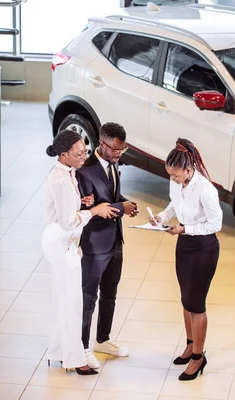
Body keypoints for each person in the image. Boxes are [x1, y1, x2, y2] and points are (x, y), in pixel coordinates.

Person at [43, 129, 119, 376]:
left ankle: (58, 353)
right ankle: (76, 359)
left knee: (63, 300)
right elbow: (67, 222)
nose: (84, 156)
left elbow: (69, 209)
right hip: (63, 243)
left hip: (62, 242)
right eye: (79, 153)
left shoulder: (68, 173)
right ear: (64, 155)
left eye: (85, 150)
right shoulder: (63, 180)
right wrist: (94, 211)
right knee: (73, 304)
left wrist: (83, 204)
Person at [149, 138, 222, 381]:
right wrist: (160, 217)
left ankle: (198, 358)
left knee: (196, 303)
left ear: (189, 170)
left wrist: (184, 229)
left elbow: (215, 224)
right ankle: (191, 344)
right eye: (170, 175)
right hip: (184, 245)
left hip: (203, 248)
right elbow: (174, 204)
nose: (172, 180)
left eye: (176, 176)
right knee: (185, 299)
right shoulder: (177, 182)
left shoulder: (206, 190)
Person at [76, 122, 139, 369]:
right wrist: (120, 208)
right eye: (115, 149)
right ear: (102, 144)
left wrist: (126, 203)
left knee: (110, 293)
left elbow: (110, 198)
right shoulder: (85, 171)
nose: (118, 154)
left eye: (122, 150)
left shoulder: (114, 166)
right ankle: (83, 347)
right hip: (94, 243)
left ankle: (103, 339)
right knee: (89, 296)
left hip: (115, 240)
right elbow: (87, 209)